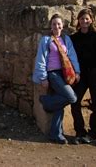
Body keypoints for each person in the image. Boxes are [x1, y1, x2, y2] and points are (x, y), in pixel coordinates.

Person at [33, 13, 81, 144]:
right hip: (53, 74)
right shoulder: (46, 40)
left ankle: (56, 134)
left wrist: (76, 72)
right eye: (54, 24)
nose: (56, 26)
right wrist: (43, 77)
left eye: (59, 24)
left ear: (62, 25)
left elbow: (72, 56)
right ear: (50, 26)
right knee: (72, 97)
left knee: (59, 105)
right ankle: (46, 101)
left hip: (64, 73)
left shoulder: (66, 40)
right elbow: (41, 59)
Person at [70, 8, 96, 144]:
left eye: (87, 19)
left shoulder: (95, 37)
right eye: (82, 19)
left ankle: (93, 132)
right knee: (74, 101)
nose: (84, 21)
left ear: (91, 20)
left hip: (94, 74)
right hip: (80, 75)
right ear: (78, 21)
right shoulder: (73, 38)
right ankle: (80, 131)